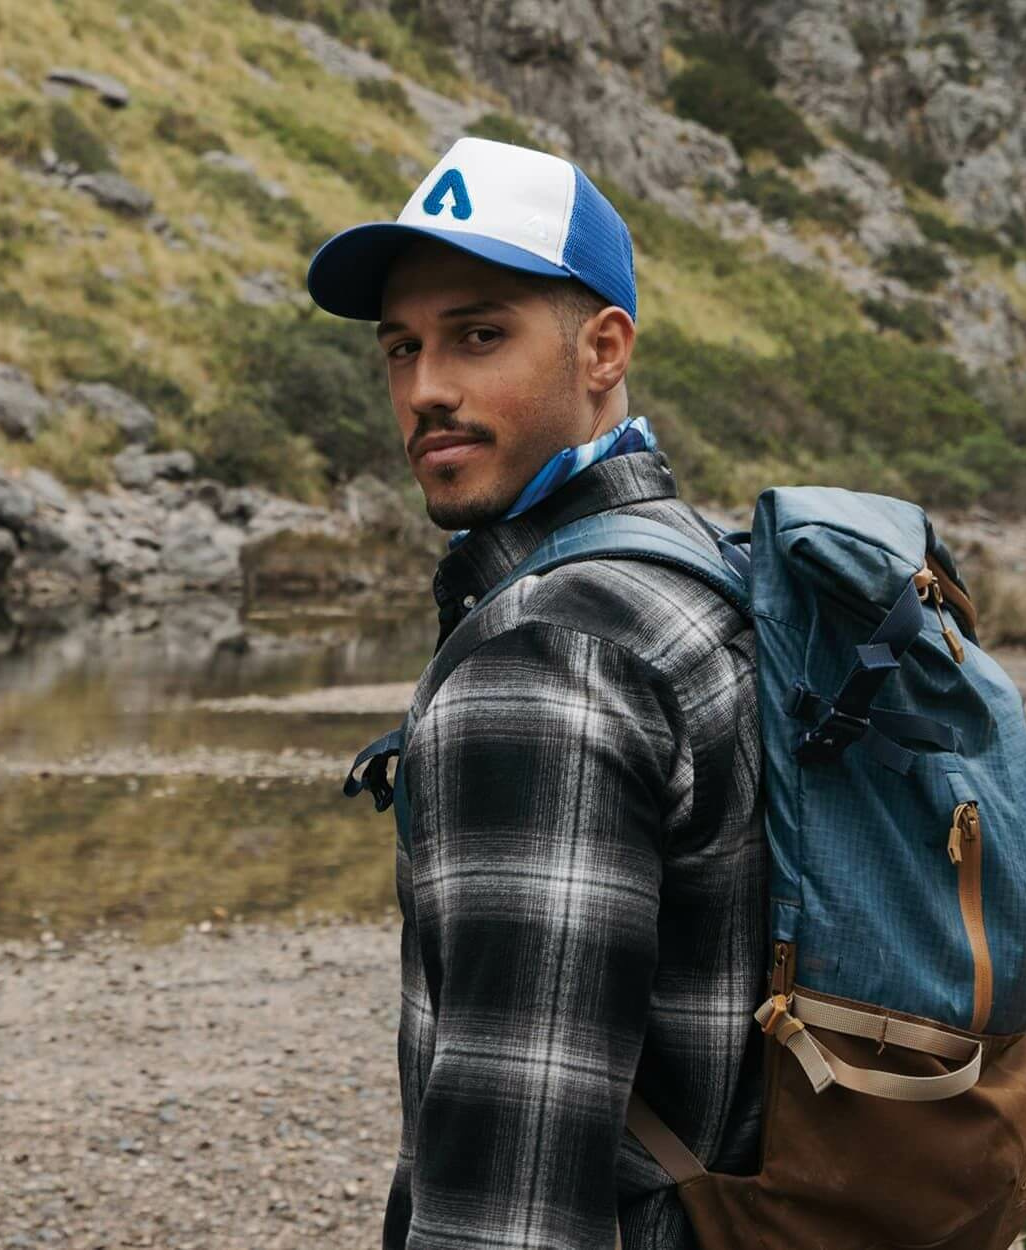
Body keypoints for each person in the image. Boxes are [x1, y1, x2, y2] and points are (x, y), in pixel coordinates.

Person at [308, 136, 767, 1250]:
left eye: (478, 335)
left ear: (603, 348)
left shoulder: (551, 652)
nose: (426, 389)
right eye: (402, 347)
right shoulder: (701, 566)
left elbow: (512, 1199)